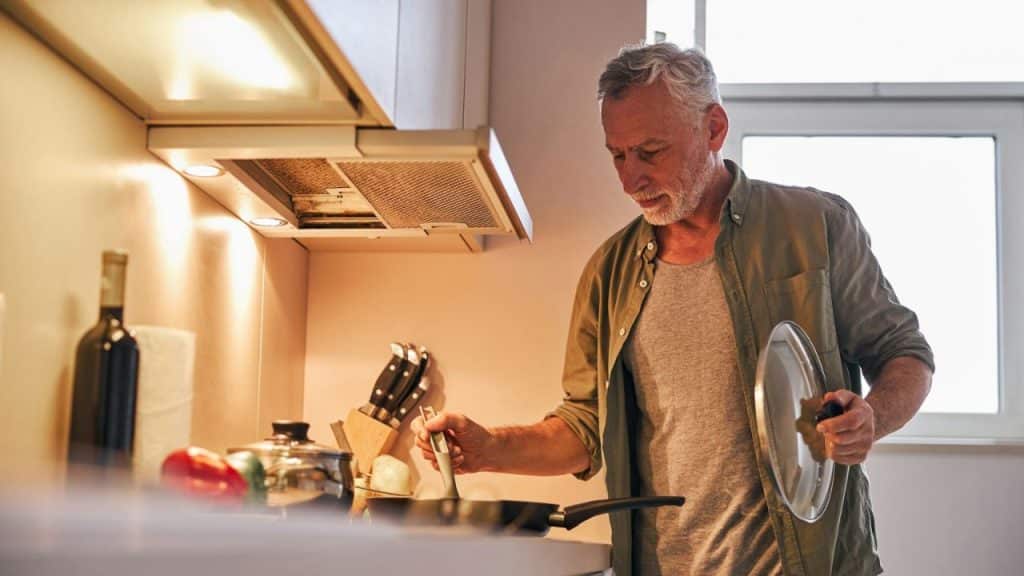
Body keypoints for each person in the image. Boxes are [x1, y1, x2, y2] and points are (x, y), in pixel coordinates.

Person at [412, 43, 934, 576]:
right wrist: (487, 447)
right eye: (617, 154)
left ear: (713, 129)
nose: (629, 179)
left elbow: (905, 354)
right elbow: (586, 425)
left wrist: (873, 416)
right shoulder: (608, 273)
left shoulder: (815, 226)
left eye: (650, 151)